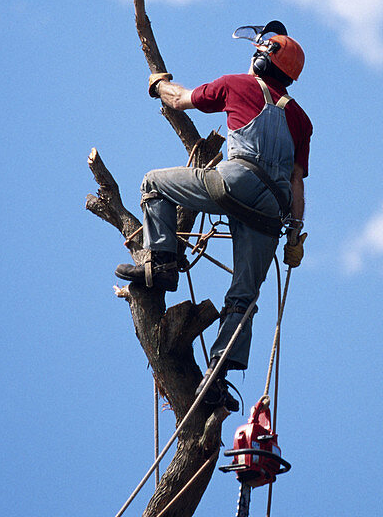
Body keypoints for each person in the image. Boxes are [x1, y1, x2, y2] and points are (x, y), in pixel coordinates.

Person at [116, 22, 312, 410]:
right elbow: (297, 183)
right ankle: (217, 377)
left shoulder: (237, 84)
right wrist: (294, 237)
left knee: (153, 183)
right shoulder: (301, 121)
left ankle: (163, 264)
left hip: (234, 184)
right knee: (244, 297)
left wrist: (157, 84)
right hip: (273, 213)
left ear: (261, 58)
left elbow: (180, 99)